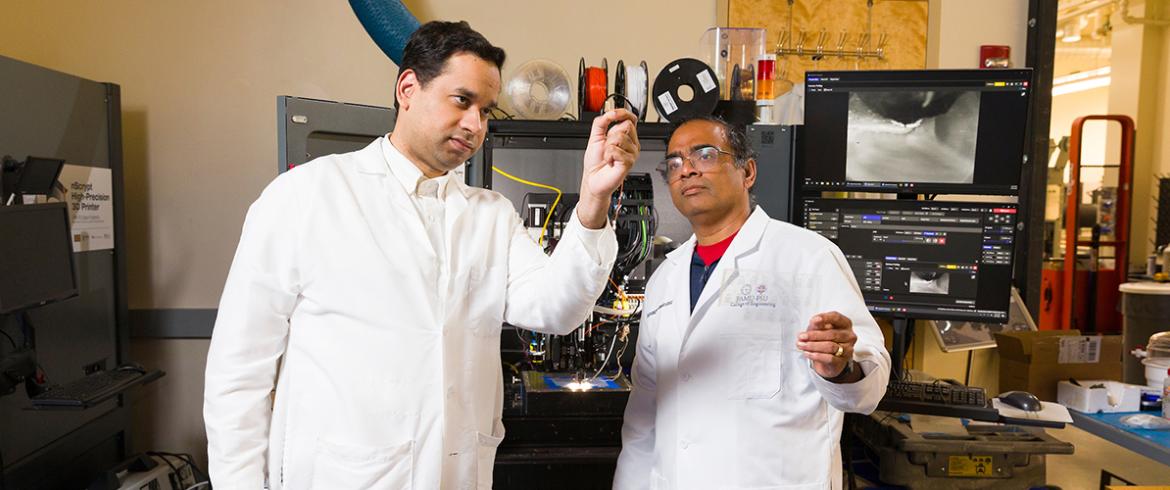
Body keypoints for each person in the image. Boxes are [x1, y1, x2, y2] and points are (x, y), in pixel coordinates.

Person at [203, 21, 640, 489]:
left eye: (486, 110)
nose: (476, 124)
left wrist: (594, 200)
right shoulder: (306, 196)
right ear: (408, 88)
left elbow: (558, 307)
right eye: (462, 101)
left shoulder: (490, 216)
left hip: (456, 472)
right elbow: (239, 375)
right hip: (339, 475)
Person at [613, 116, 889, 489]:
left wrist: (840, 369)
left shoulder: (809, 258)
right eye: (674, 163)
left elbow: (869, 390)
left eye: (705, 155)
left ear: (748, 172)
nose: (687, 170)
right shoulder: (665, 279)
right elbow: (644, 419)